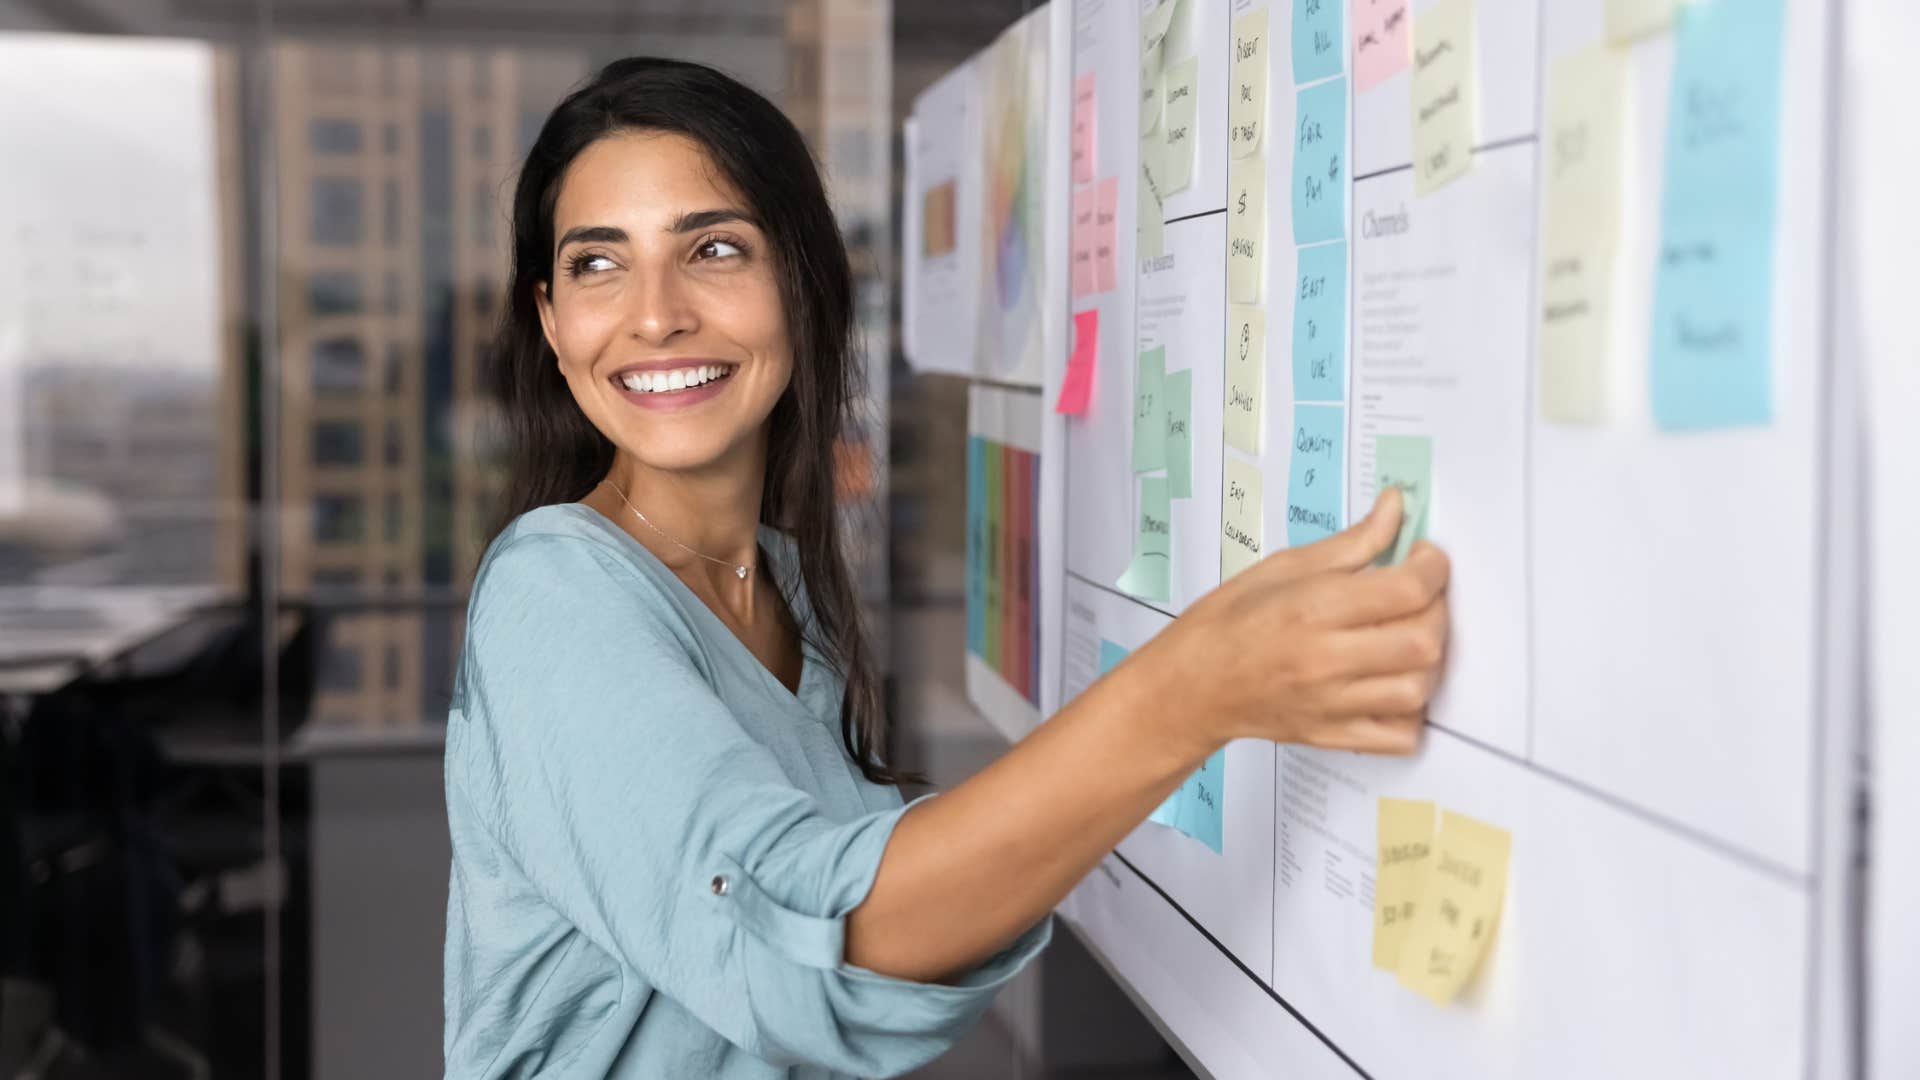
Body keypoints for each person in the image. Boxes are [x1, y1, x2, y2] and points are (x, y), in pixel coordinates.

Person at [442, 57, 1450, 1080]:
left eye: (713, 248)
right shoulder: (552, 593)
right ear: (552, 322)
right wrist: (1191, 694)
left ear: (801, 285)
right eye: (598, 264)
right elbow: (813, 938)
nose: (655, 314)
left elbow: (883, 934)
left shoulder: (785, 588)